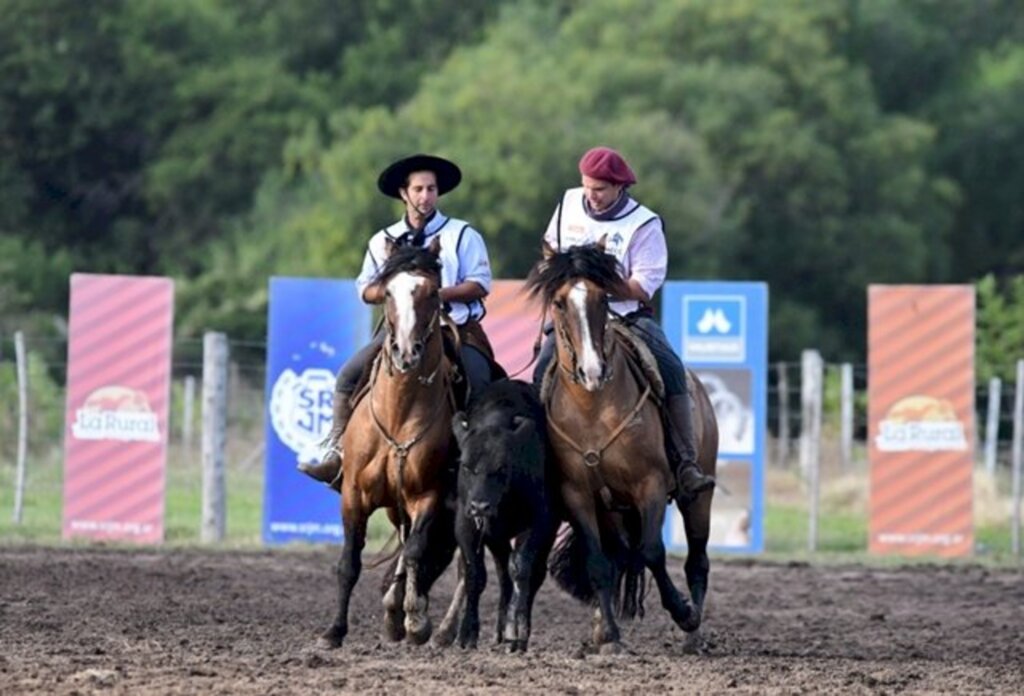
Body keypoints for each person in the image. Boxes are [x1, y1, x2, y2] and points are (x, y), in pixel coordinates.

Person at [299, 153, 498, 490]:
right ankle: (338, 454)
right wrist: (400, 295)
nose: (426, 196)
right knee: (349, 375)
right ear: (404, 194)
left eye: (431, 189)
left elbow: (480, 284)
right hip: (402, 330)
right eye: (418, 189)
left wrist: (433, 294)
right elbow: (365, 289)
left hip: (457, 329)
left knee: (481, 380)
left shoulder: (462, 235)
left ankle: (478, 463)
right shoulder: (382, 240)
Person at [533, 146, 715, 499]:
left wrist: (596, 281)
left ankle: (685, 461)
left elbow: (642, 286)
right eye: (587, 186)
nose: (591, 195)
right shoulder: (568, 203)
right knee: (541, 372)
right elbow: (549, 254)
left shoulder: (644, 223)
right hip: (574, 315)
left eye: (600, 189)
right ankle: (539, 462)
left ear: (619, 187)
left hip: (626, 315)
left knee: (670, 367)